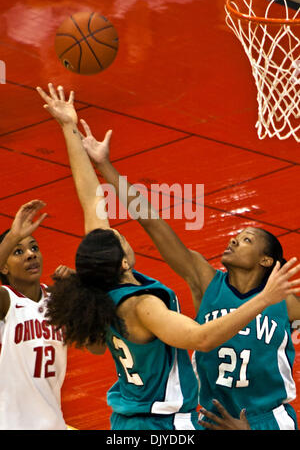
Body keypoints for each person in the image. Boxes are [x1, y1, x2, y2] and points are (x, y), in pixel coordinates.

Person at [37, 84, 300, 431]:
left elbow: (91, 201)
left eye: (246, 238)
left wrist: (87, 148)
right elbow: (201, 337)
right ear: (124, 263)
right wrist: (265, 299)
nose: (234, 238)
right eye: (119, 238)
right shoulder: (157, 301)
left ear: (267, 261)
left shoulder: (103, 283)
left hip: (262, 420)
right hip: (189, 421)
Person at [0, 200, 67, 430]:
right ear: (4, 268)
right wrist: (13, 235)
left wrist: (80, 290)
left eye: (34, 248)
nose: (30, 255)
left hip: (55, 422)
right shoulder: (7, 301)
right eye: (18, 252)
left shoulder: (58, 300)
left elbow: (97, 346)